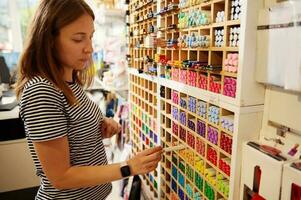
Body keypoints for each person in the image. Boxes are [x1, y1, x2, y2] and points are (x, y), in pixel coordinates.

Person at [15, 0, 163, 199]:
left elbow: (70, 138)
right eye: (78, 39)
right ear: (49, 39)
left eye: (90, 37)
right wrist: (128, 167)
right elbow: (61, 177)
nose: (89, 48)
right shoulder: (42, 91)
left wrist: (98, 127)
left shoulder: (68, 83)